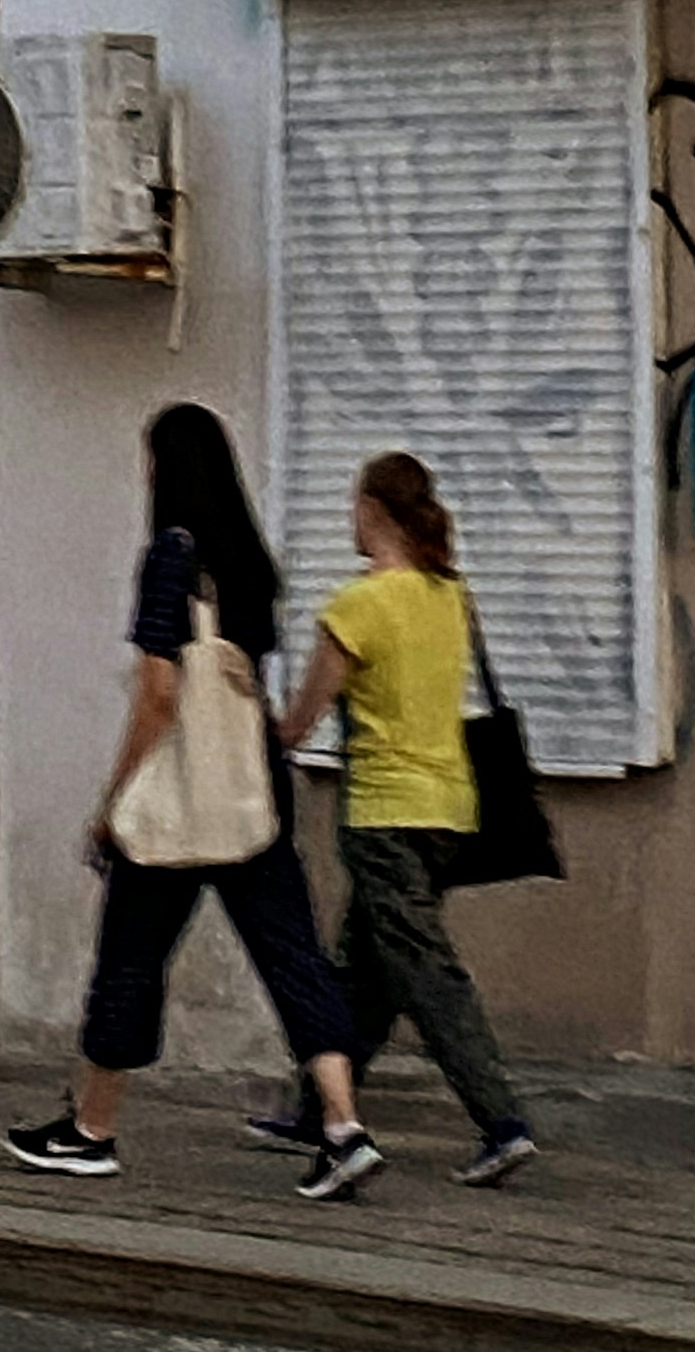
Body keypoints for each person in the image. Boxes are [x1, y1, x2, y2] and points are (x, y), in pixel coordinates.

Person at [4, 403, 383, 1201]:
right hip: (250, 792)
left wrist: (114, 800)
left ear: (167, 468)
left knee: (131, 961)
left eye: (148, 457)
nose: (143, 471)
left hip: (177, 797)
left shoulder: (170, 557)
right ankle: (343, 1126)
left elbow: (158, 694)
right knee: (294, 956)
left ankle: (92, 1130)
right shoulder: (249, 561)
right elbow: (245, 672)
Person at [255, 448, 537, 1188]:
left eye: (355, 504)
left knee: (423, 968)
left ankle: (501, 1120)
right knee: (364, 969)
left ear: (374, 512)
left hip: (385, 812)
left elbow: (301, 718)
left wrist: (265, 726)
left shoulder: (359, 605)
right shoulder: (449, 594)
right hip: (450, 808)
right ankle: (317, 1108)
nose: (350, 517)